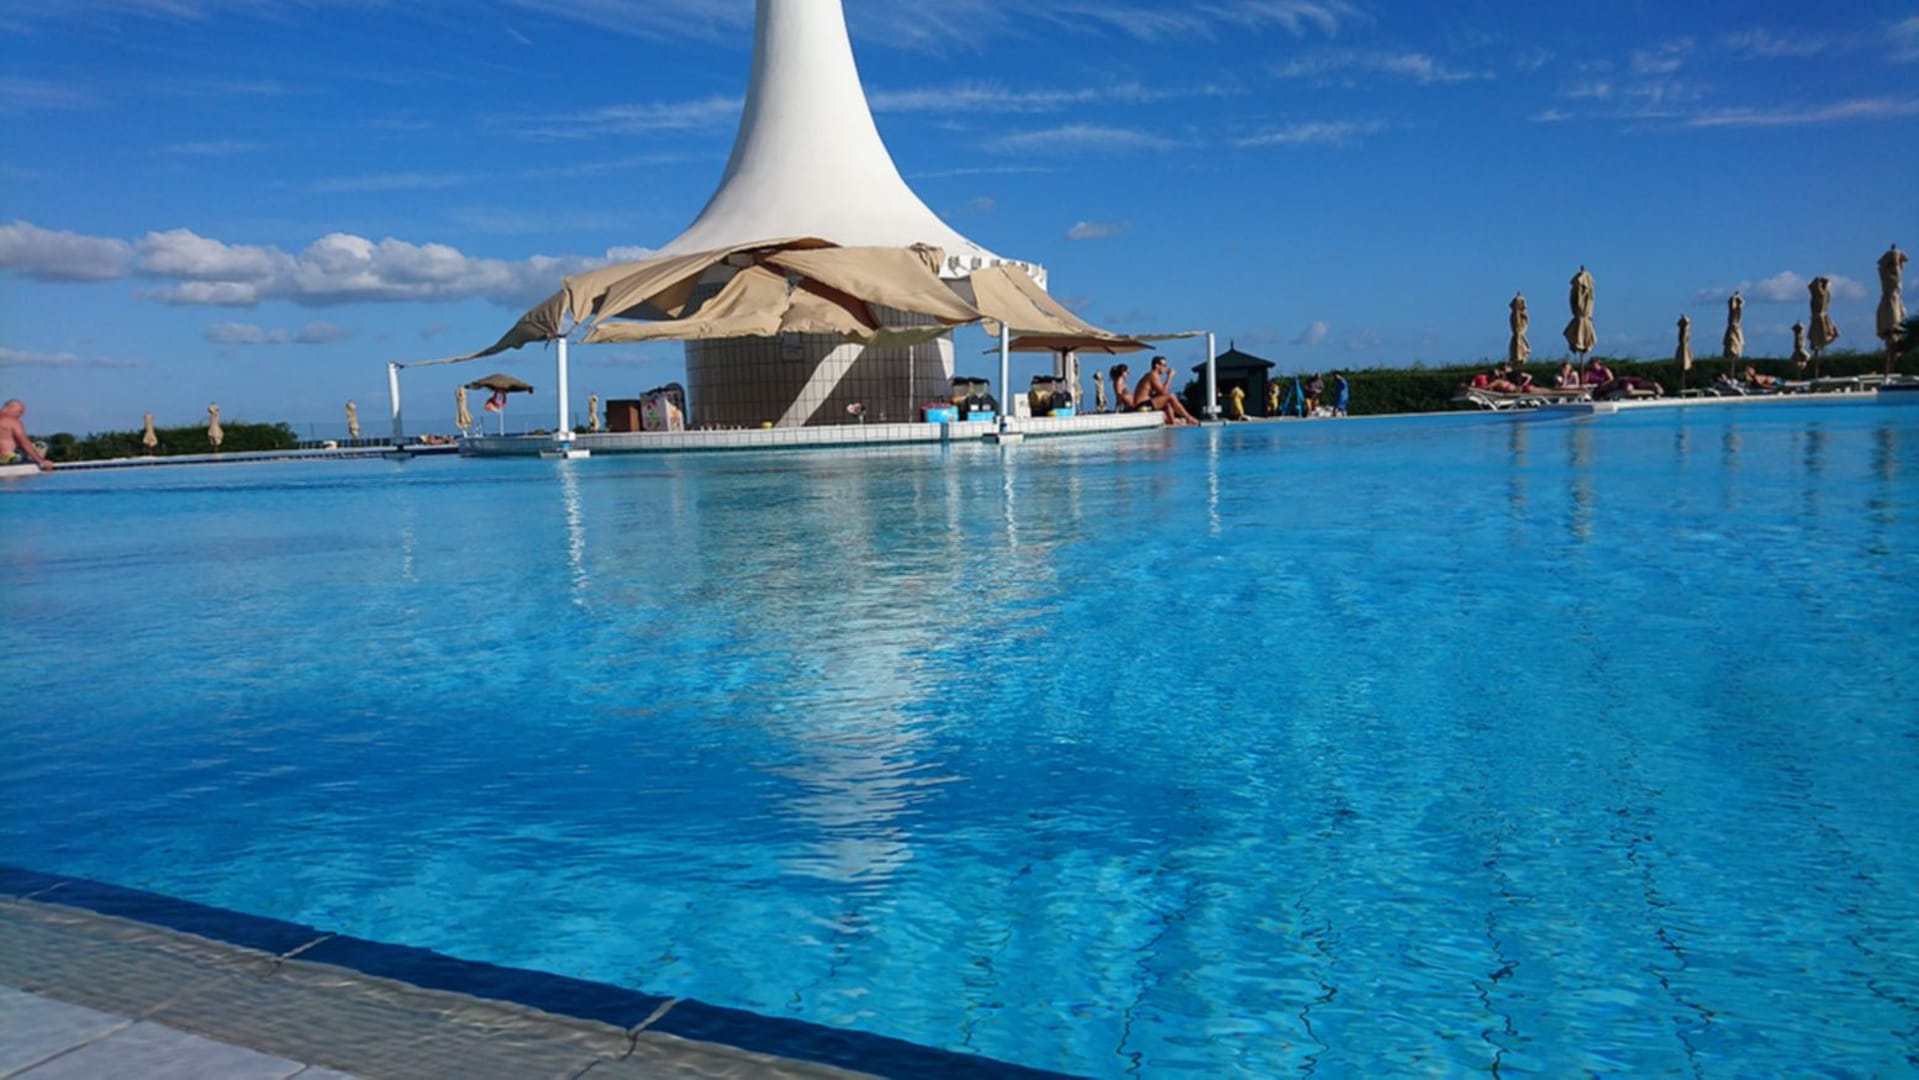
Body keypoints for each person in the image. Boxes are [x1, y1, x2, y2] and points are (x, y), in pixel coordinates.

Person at [1135, 356, 1200, 425]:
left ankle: (1173, 422)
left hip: (1145, 404)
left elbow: (1160, 394)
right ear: (1157, 365)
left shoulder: (1153, 375)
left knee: (1167, 402)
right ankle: (1188, 418)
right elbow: (1164, 392)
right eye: (1164, 365)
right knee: (1170, 396)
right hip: (1142, 406)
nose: (1165, 368)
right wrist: (1170, 377)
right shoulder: (1153, 375)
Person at [0, 399, 54, 472]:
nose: (21, 415)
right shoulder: (12, 420)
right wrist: (41, 460)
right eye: (20, 412)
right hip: (7, 458)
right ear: (9, 408)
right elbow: (24, 442)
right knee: (40, 445)